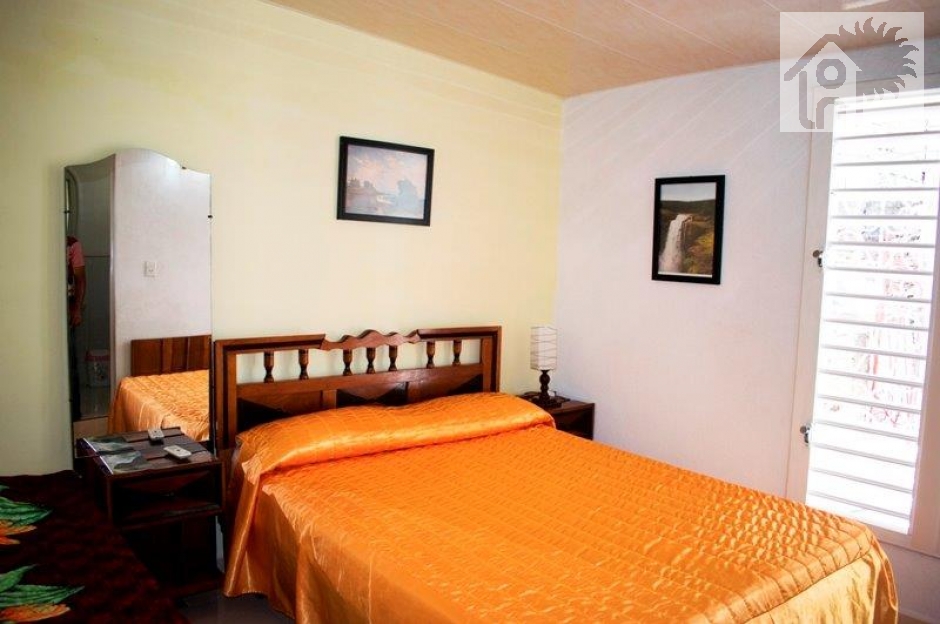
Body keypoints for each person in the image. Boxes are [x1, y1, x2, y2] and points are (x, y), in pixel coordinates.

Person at [67, 236, 86, 421]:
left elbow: (80, 279)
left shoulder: (71, 244)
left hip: (68, 308)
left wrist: (77, 309)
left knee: (70, 360)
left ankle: (74, 414)